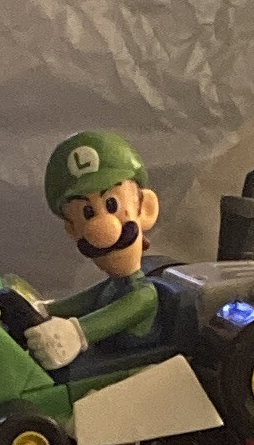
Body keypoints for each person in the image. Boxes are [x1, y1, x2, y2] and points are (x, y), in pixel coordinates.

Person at [23, 129, 164, 375]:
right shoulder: (112, 287)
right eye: (87, 213)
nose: (101, 229)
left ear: (145, 209)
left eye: (112, 205)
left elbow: (114, 315)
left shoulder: (144, 295)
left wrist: (76, 334)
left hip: (138, 371)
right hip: (106, 361)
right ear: (72, 229)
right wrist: (45, 311)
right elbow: (86, 301)